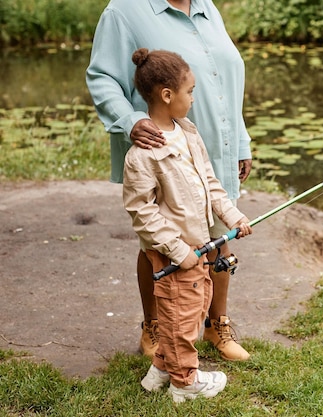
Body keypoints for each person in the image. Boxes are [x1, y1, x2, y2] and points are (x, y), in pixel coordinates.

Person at [85, 0, 253, 361]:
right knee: (160, 242)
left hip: (213, 149)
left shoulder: (207, 7)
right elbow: (101, 77)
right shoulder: (124, 10)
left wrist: (239, 140)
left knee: (219, 234)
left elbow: (225, 79)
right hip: (163, 154)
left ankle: (215, 324)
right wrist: (130, 121)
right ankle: (155, 326)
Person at [124, 47, 252, 402]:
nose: (194, 98)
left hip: (197, 246)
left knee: (190, 309)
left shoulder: (188, 132)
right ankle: (185, 383)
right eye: (190, 91)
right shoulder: (141, 155)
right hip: (174, 254)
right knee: (181, 320)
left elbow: (210, 183)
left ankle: (161, 369)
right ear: (167, 95)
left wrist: (233, 216)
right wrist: (179, 251)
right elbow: (142, 213)